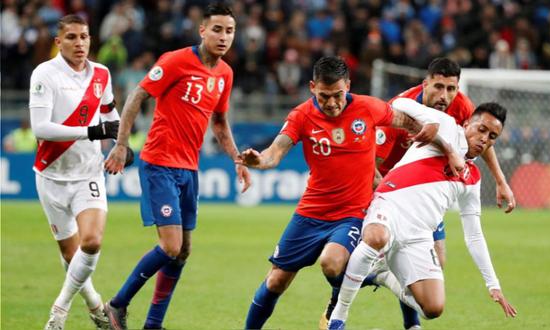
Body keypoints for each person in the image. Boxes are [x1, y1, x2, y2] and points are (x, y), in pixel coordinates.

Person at [237, 56, 443, 330]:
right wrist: (258, 161)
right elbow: (274, 152)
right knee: (276, 281)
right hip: (310, 212)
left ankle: (345, 306)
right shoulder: (301, 116)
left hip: (352, 213)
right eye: (324, 96)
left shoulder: (369, 107)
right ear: (312, 87)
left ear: (348, 85)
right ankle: (371, 275)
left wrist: (438, 138)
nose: (332, 103)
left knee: (332, 263)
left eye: (338, 95)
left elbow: (408, 121)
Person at [321, 58, 517, 330]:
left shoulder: (472, 176)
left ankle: (385, 279)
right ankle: (338, 318)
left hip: (421, 228)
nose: (484, 138)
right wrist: (444, 144)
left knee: (434, 307)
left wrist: (493, 284)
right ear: (467, 123)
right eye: (481, 129)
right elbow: (395, 108)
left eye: (492, 136)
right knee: (376, 238)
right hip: (389, 197)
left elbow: (474, 234)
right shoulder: (445, 121)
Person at [103, 4, 251, 330]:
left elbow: (221, 123)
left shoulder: (224, 74)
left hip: (189, 168)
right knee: (170, 246)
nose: (223, 37)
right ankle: (116, 305)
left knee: (182, 251)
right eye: (217, 29)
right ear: (202, 30)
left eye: (229, 31)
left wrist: (237, 159)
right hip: (159, 163)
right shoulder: (175, 60)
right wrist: (122, 143)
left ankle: (153, 324)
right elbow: (136, 96)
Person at [29, 15, 122, 330]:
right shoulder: (45, 74)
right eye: (71, 37)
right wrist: (93, 131)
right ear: (59, 42)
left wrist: (120, 144)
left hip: (88, 174)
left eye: (84, 37)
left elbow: (110, 113)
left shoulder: (102, 74)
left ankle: (59, 312)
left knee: (92, 242)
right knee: (72, 256)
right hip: (52, 177)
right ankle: (96, 306)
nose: (79, 43)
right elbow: (41, 129)